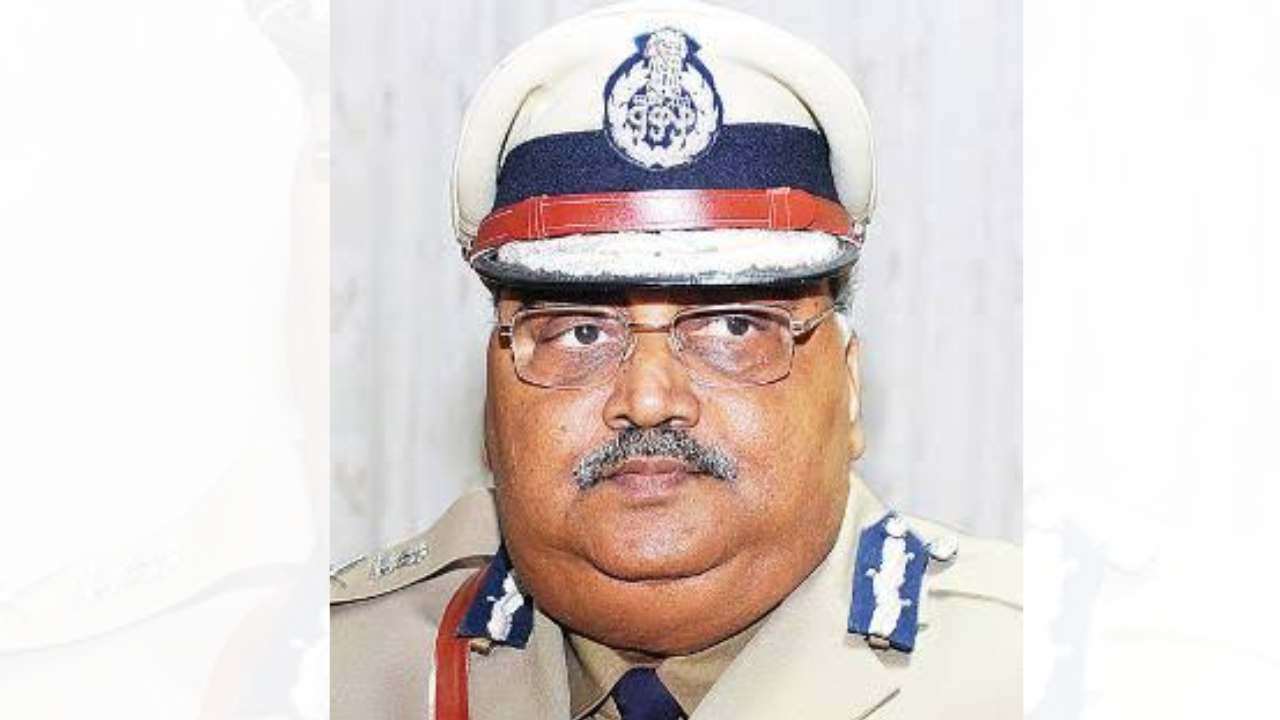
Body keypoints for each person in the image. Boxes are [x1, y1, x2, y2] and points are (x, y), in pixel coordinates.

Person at [331, 2, 1021, 718]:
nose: (650, 397)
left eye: (734, 325)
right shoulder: (334, 671)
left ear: (848, 389)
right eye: (580, 333)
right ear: (490, 406)